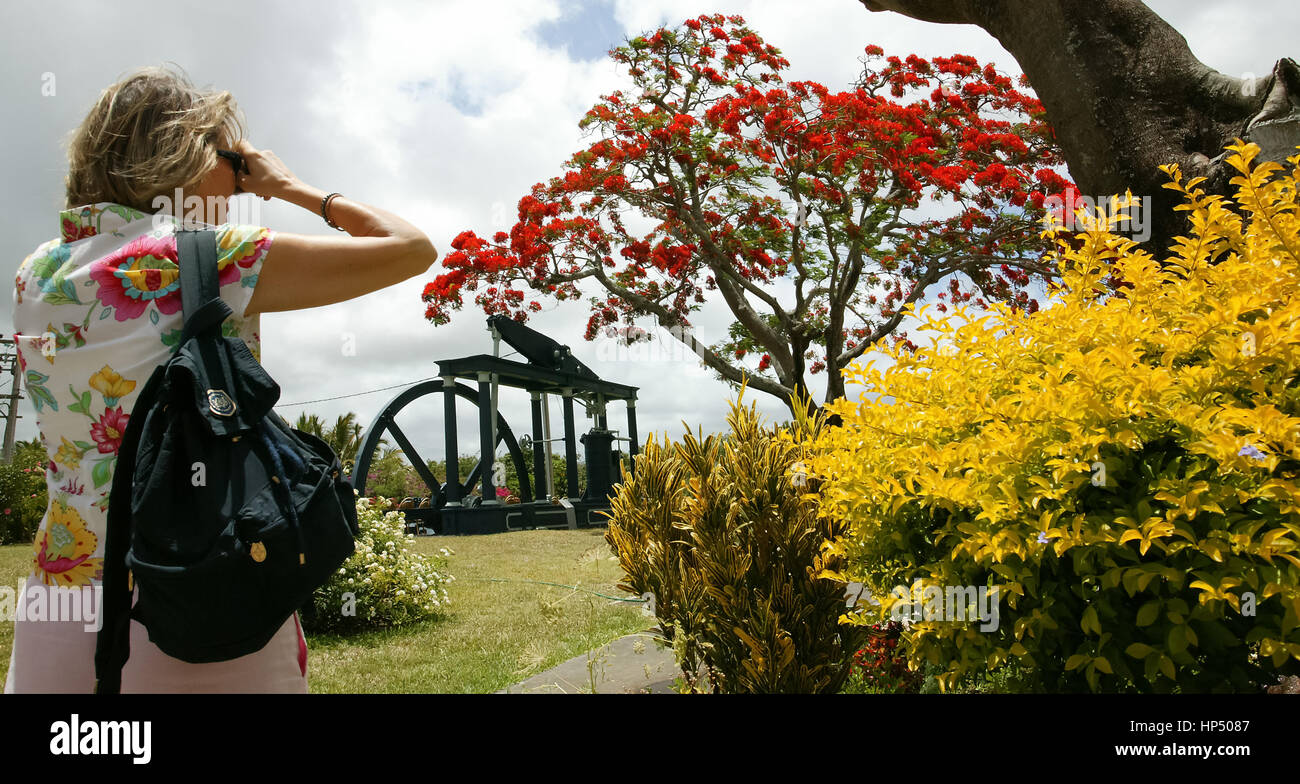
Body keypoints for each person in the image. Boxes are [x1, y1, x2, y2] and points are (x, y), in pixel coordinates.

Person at [4, 65, 438, 693]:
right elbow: (410, 247)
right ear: (178, 154)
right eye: (229, 158)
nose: (240, 180)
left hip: (60, 606)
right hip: (201, 601)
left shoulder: (34, 272)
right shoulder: (212, 256)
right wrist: (291, 187)